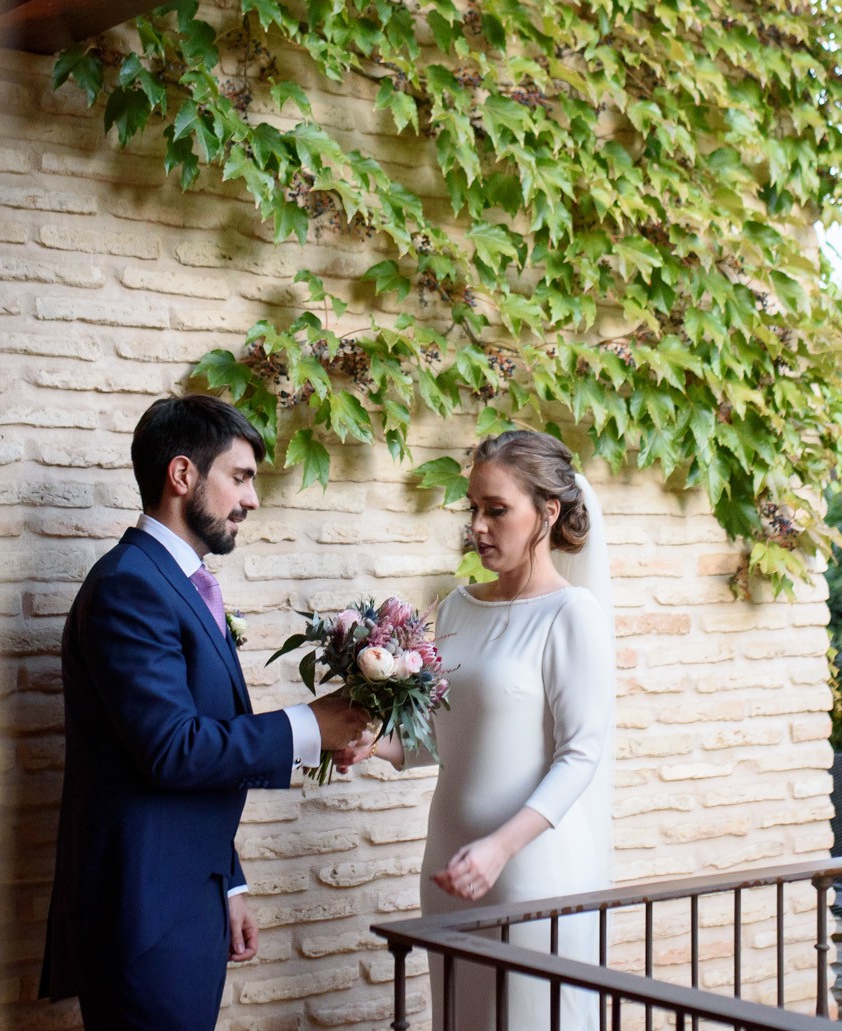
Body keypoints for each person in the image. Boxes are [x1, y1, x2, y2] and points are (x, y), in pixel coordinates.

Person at [39, 394, 371, 1031]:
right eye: (240, 478)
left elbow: (189, 763)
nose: (251, 500)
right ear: (183, 475)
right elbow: (172, 749)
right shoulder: (130, 585)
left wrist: (229, 883)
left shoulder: (178, 583)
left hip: (188, 896)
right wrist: (310, 725)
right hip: (146, 918)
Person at [335, 429, 615, 1030]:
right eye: (473, 508)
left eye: (497, 510)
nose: (479, 527)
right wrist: (373, 745)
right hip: (449, 867)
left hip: (526, 875)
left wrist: (499, 849)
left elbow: (580, 755)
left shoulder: (572, 615)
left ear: (548, 511)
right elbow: (441, 734)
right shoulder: (459, 607)